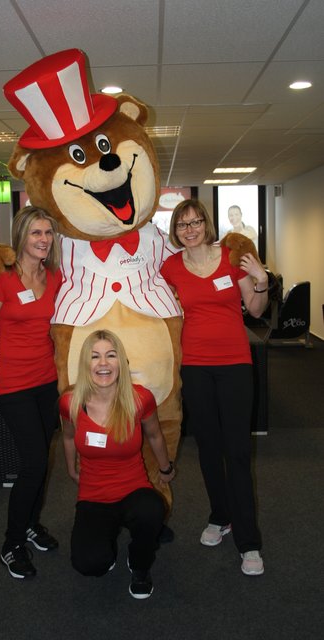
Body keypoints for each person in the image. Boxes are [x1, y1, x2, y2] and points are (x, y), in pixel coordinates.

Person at [161, 198, 269, 577]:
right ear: (176, 232)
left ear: (206, 224)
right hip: (195, 367)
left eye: (195, 222)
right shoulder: (172, 266)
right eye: (182, 225)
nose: (189, 229)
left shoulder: (231, 257)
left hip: (235, 365)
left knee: (237, 452)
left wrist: (261, 279)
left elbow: (255, 310)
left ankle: (249, 541)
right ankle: (220, 515)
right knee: (208, 449)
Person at [0, 205, 62, 580]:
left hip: (47, 383)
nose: (43, 240)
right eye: (36, 233)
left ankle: (29, 523)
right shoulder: (3, 279)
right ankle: (11, 544)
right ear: (21, 236)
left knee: (42, 460)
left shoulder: (54, 276)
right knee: (34, 463)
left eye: (48, 233)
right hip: (13, 386)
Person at [60, 329, 175, 600]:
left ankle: (139, 564)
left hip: (133, 488)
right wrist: (71, 468)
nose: (103, 363)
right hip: (94, 494)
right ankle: (106, 537)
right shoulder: (70, 401)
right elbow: (67, 437)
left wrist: (165, 467)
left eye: (111, 355)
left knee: (152, 509)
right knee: (89, 564)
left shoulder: (139, 398)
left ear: (121, 362)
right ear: (85, 364)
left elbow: (155, 434)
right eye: (95, 356)